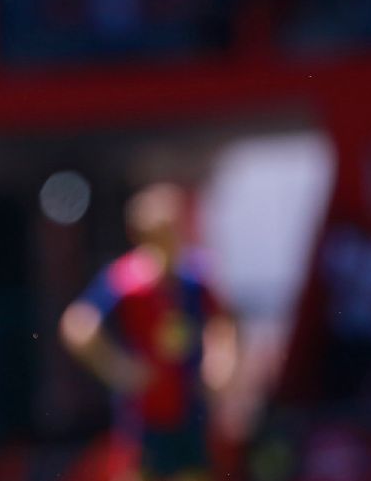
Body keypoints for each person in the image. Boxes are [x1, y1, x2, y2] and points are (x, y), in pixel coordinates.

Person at [60, 183, 238, 481]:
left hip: (191, 410)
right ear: (139, 236)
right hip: (143, 416)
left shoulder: (195, 278)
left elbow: (224, 323)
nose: (168, 242)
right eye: (159, 234)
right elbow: (77, 326)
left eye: (172, 231)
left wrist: (220, 364)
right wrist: (118, 368)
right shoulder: (126, 280)